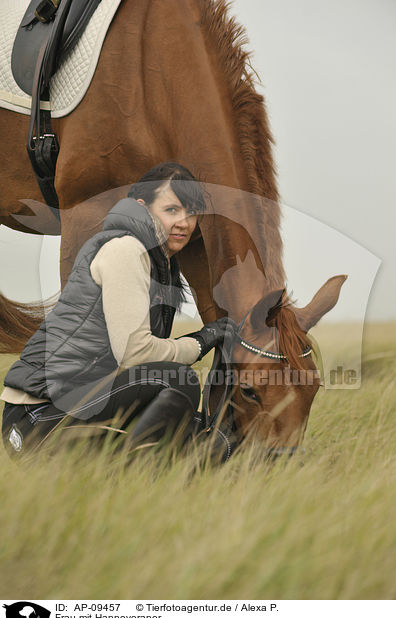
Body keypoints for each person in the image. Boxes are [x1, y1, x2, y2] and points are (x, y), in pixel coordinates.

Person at [1, 162, 236, 458]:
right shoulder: (126, 250)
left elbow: (136, 369)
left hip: (73, 409)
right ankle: (126, 479)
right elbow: (136, 354)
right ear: (143, 207)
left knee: (207, 436)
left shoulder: (159, 262)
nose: (185, 223)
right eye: (172, 210)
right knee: (180, 381)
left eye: (191, 212)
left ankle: (136, 479)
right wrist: (201, 342)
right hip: (34, 419)